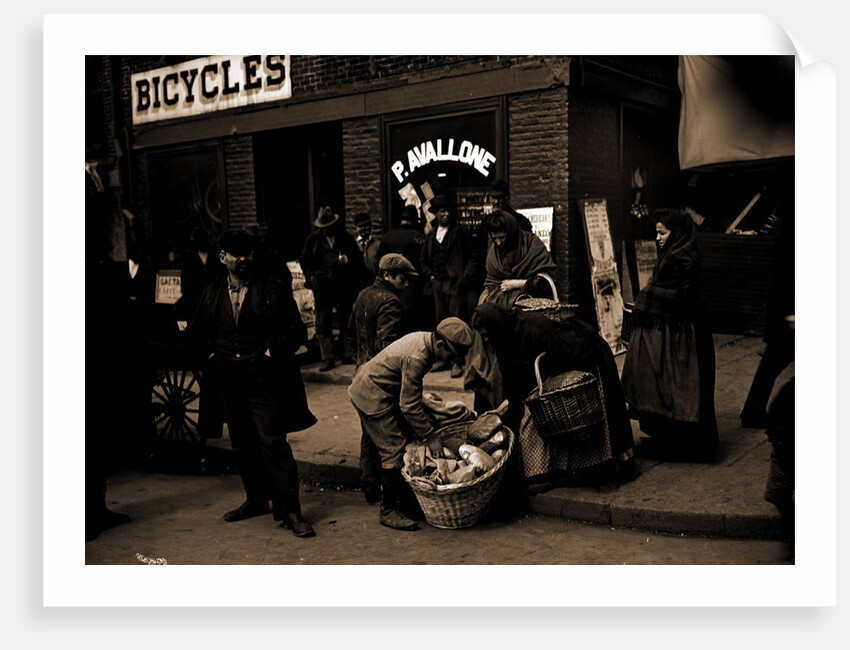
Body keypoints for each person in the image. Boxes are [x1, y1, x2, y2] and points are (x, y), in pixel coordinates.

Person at [186, 228, 318, 538]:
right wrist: (210, 356)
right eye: (237, 254)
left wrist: (272, 351)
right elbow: (196, 331)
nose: (244, 259)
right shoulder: (211, 294)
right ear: (223, 258)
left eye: (248, 254)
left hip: (263, 379)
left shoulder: (271, 289)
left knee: (272, 441)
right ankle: (256, 500)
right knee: (242, 443)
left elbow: (297, 331)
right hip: (228, 381)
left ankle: (290, 511)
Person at [471, 303, 636, 491]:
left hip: (584, 356)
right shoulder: (502, 342)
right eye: (483, 335)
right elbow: (514, 383)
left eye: (486, 333)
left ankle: (601, 463)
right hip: (551, 368)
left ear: (496, 324)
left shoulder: (535, 329)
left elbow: (562, 355)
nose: (486, 338)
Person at [348, 317, 474, 530]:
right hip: (372, 395)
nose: (455, 360)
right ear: (441, 345)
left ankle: (372, 490)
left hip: (372, 388)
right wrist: (430, 435)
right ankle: (388, 510)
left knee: (375, 439)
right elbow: (409, 406)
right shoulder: (419, 357)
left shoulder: (425, 339)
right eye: (452, 355)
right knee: (393, 449)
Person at [620, 208, 719, 462]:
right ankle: (666, 438)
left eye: (662, 232)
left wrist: (645, 296)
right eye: (657, 232)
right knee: (661, 386)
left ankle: (682, 444)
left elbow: (684, 297)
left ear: (676, 232)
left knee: (679, 389)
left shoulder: (685, 258)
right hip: (671, 331)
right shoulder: (673, 253)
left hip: (685, 335)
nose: (658, 238)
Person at [349, 253, 420, 503]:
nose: (407, 284)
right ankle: (394, 495)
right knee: (388, 435)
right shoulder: (391, 302)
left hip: (360, 371)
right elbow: (387, 348)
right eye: (403, 278)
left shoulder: (363, 294)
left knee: (369, 432)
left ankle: (369, 486)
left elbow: (350, 334)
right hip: (380, 379)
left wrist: (359, 361)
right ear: (388, 276)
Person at [740, 209, 794, 428]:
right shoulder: (793, 226)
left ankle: (752, 412)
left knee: (772, 363)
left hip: (786, 312)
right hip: (788, 313)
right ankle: (753, 412)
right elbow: (788, 273)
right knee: (773, 362)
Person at [299, 206, 367, 371]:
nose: (326, 229)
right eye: (323, 227)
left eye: (329, 226)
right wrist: (311, 276)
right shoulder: (313, 239)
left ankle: (347, 353)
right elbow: (304, 259)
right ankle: (327, 357)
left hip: (342, 285)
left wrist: (347, 261)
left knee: (346, 320)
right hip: (322, 286)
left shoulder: (346, 238)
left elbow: (357, 259)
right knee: (323, 321)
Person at [420, 194, 478, 377]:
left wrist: (465, 277)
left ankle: (457, 361)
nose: (446, 214)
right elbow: (422, 259)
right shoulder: (431, 235)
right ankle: (443, 358)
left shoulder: (461, 232)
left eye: (448, 210)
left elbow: (473, 257)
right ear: (436, 214)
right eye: (442, 211)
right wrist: (429, 274)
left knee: (456, 322)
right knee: (440, 322)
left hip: (455, 285)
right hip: (438, 284)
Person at [477, 209, 557, 308]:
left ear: (511, 233)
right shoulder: (494, 253)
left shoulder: (532, 245)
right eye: (495, 238)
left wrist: (517, 284)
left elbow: (545, 283)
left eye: (502, 238)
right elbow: (491, 283)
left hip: (531, 306)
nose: (498, 243)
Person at [379, 205, 430, 332]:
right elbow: (425, 262)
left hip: (390, 287)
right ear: (415, 219)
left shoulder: (387, 236)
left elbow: (378, 264)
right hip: (412, 289)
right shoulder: (418, 237)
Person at [764, 377, 794, 561]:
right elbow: (774, 413)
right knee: (776, 494)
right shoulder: (792, 390)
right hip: (785, 452)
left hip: (787, 450)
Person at [354, 211, 382, 278]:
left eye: (366, 225)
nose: (363, 228)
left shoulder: (378, 245)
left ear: (370, 226)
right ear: (356, 228)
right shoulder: (352, 244)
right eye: (360, 226)